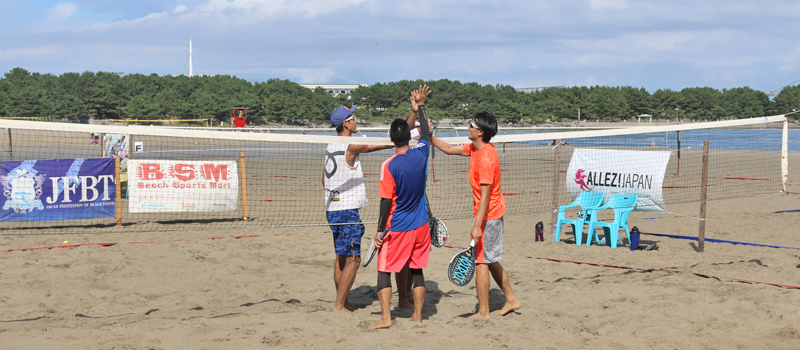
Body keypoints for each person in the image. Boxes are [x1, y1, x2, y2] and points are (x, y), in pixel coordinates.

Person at [429, 111, 522, 318]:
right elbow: (449, 149)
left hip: (489, 215)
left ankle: (483, 311)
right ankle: (512, 299)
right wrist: (429, 137)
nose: (467, 126)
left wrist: (477, 225)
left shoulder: (487, 158)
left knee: (481, 262)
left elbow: (485, 196)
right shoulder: (475, 148)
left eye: (471, 124)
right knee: (490, 260)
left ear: (480, 131)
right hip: (485, 214)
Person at [370, 88, 432, 329]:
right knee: (417, 270)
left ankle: (386, 318)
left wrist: (378, 230)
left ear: (391, 139)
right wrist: (421, 108)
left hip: (398, 226)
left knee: (384, 269)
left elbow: (386, 202)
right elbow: (426, 132)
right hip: (421, 225)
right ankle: (417, 315)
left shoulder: (389, 165)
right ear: (410, 136)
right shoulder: (421, 154)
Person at [324, 105, 393, 312]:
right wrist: (397, 141)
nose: (356, 121)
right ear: (346, 123)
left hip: (332, 208)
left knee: (341, 256)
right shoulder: (350, 145)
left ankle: (343, 301)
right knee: (354, 258)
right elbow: (374, 146)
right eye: (353, 118)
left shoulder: (331, 144)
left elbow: (323, 179)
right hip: (346, 210)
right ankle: (338, 305)